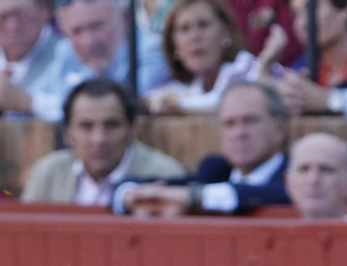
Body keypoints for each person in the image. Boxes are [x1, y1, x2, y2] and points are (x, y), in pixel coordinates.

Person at [119, 79, 287, 215]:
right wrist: (133, 195)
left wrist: (194, 197)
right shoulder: (216, 172)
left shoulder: (298, 173)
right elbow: (123, 186)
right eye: (230, 124)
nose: (239, 133)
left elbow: (267, 193)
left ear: (279, 128)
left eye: (250, 121)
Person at [20, 76, 186, 204]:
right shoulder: (48, 173)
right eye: (86, 126)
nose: (99, 139)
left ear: (131, 130)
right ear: (68, 134)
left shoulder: (164, 175)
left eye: (111, 125)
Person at [39, 0, 169, 118]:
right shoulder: (66, 52)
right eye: (77, 31)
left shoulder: (153, 50)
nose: (88, 42)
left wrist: (35, 104)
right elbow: (37, 94)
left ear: (125, 18)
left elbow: (116, 104)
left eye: (96, 26)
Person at [145, 0, 259, 112]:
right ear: (174, 44)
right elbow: (153, 98)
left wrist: (177, 105)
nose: (195, 36)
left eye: (203, 25)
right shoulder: (185, 85)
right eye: (184, 29)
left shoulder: (247, 67)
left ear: (226, 32)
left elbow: (230, 100)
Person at [285, 130, 347, 219]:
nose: (313, 180)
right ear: (288, 181)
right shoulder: (274, 231)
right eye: (304, 169)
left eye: (326, 170)